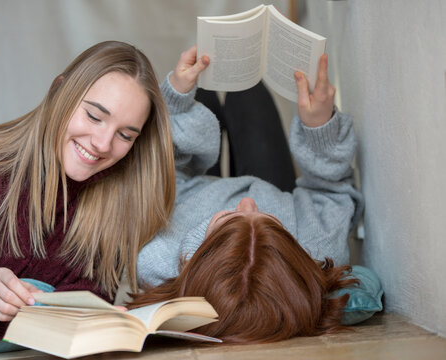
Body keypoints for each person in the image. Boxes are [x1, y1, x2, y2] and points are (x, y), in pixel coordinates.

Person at [0, 40, 176, 341]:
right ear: (59, 90)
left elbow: (81, 309)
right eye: (94, 116)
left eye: (125, 135)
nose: (102, 144)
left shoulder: (116, 202)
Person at [130, 46, 364, 343]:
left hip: (193, 191)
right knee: (248, 91)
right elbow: (330, 189)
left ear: (198, 254)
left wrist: (176, 100)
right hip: (276, 187)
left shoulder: (156, 258)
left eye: (229, 217)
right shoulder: (319, 250)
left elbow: (164, 174)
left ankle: (193, 104)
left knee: (203, 96)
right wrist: (319, 128)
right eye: (269, 220)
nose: (248, 202)